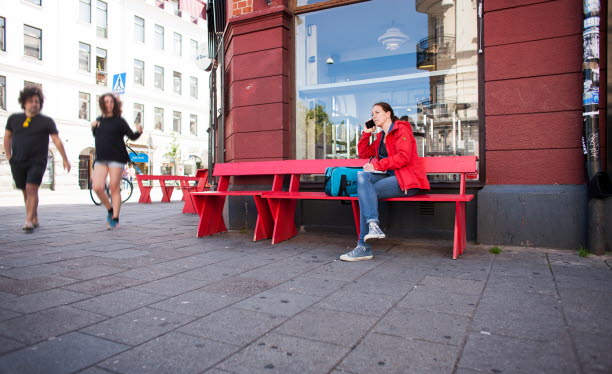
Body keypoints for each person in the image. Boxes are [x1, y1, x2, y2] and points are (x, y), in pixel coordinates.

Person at [340, 102, 430, 261]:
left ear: (388, 113)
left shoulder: (402, 129)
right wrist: (366, 134)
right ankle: (373, 225)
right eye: (372, 113)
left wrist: (377, 165)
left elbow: (403, 157)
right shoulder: (381, 136)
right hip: (389, 177)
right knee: (362, 177)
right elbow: (364, 154)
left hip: (406, 180)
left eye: (377, 112)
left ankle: (364, 246)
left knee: (366, 193)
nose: (374, 116)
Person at [3, 86, 71, 233]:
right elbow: (7, 137)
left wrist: (65, 159)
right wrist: (9, 156)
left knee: (31, 188)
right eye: (31, 101)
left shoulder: (46, 122)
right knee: (25, 191)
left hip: (37, 161)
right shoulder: (14, 119)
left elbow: (57, 140)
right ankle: (33, 216)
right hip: (18, 160)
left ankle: (28, 221)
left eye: (37, 101)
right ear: (24, 103)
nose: (34, 104)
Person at [91, 94, 143, 229]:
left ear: (114, 104)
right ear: (102, 104)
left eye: (111, 102)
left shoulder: (120, 121)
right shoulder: (98, 120)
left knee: (114, 187)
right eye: (106, 101)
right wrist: (93, 127)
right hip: (101, 157)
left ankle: (115, 217)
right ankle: (109, 208)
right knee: (97, 187)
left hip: (117, 157)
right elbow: (97, 136)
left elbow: (132, 136)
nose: (109, 104)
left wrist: (139, 132)